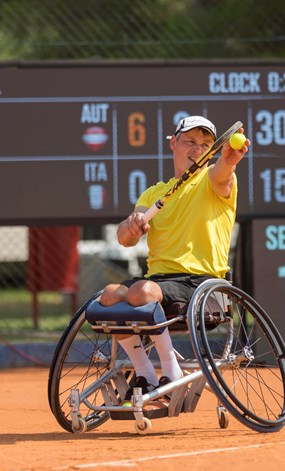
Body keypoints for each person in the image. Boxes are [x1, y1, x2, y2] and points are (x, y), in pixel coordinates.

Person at [99, 115, 249, 400]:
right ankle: (145, 373)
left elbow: (224, 172)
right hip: (158, 284)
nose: (197, 148)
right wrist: (131, 225)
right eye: (190, 141)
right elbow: (125, 238)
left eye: (205, 144)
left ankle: (172, 372)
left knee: (142, 291)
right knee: (108, 296)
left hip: (202, 286)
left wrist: (229, 160)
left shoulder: (213, 180)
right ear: (173, 143)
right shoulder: (155, 192)